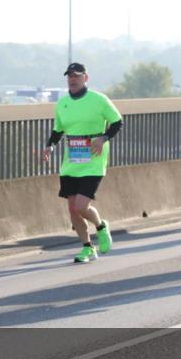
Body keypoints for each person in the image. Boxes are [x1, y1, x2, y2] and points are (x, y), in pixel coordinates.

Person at [41, 62, 123, 263]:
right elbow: (58, 130)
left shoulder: (99, 99)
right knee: (72, 208)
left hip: (93, 160)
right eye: (69, 76)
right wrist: (50, 145)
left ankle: (101, 226)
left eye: (76, 76)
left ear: (85, 78)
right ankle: (88, 248)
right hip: (71, 161)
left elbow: (117, 121)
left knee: (81, 205)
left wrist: (103, 138)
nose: (72, 79)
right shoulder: (62, 104)